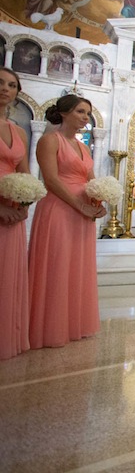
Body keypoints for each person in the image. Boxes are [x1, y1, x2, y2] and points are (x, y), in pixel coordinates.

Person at [29, 94, 106, 349]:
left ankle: (74, 323)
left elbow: (92, 180)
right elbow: (50, 180)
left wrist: (97, 202)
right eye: (80, 112)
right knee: (58, 266)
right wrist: (79, 205)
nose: (85, 118)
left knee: (77, 266)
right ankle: (50, 328)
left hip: (82, 213)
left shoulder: (84, 147)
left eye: (87, 113)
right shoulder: (50, 141)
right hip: (59, 210)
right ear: (64, 113)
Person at [0, 68, 31, 359]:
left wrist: (22, 204)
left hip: (12, 212)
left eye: (11, 85)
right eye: (0, 83)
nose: (5, 89)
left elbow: (25, 173)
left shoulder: (18, 131)